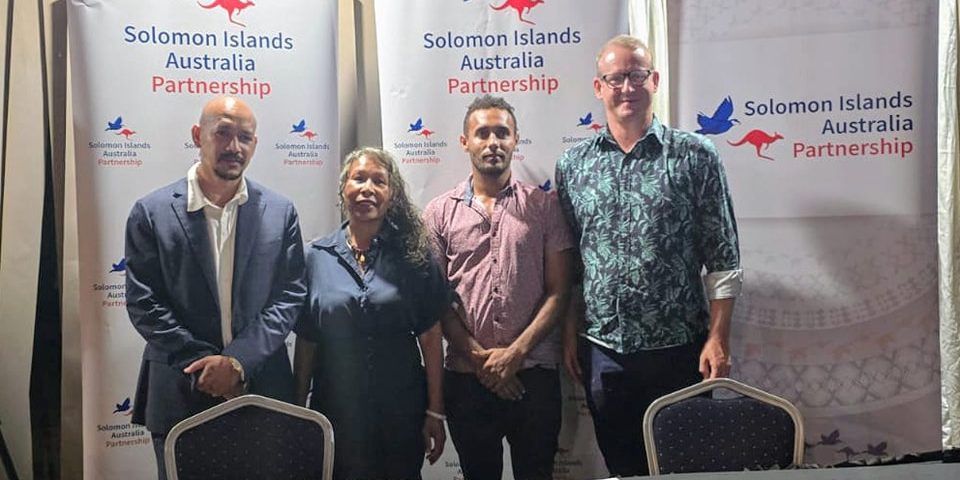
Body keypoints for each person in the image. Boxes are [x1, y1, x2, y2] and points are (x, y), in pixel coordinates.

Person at [555, 35, 743, 477]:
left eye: (636, 76)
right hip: (604, 352)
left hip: (680, 350)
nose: (626, 87)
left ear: (654, 81)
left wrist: (719, 337)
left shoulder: (695, 156)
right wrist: (569, 330)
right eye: (615, 78)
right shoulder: (574, 166)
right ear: (599, 88)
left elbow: (723, 257)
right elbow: (572, 265)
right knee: (622, 467)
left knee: (687, 466)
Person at [125, 96, 307, 480]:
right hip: (180, 390)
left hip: (261, 389)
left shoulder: (280, 211)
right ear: (198, 135)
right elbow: (144, 302)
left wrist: (237, 362)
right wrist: (208, 368)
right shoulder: (151, 212)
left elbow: (289, 296)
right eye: (222, 133)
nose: (234, 146)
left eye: (245, 137)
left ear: (255, 144)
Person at [423, 95, 573, 480]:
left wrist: (515, 355)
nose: (493, 142)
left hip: (534, 376)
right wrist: (480, 360)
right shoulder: (439, 213)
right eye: (483, 133)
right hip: (466, 379)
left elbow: (559, 290)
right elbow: (437, 300)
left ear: (516, 139)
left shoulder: (544, 206)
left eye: (502, 133)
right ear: (465, 142)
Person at [293, 147, 447, 480]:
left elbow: (431, 337)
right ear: (342, 189)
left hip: (401, 413)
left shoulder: (414, 257)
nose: (367, 188)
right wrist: (296, 410)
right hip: (335, 413)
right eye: (358, 178)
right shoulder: (316, 258)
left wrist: (435, 410)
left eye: (379, 181)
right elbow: (307, 340)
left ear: (391, 196)